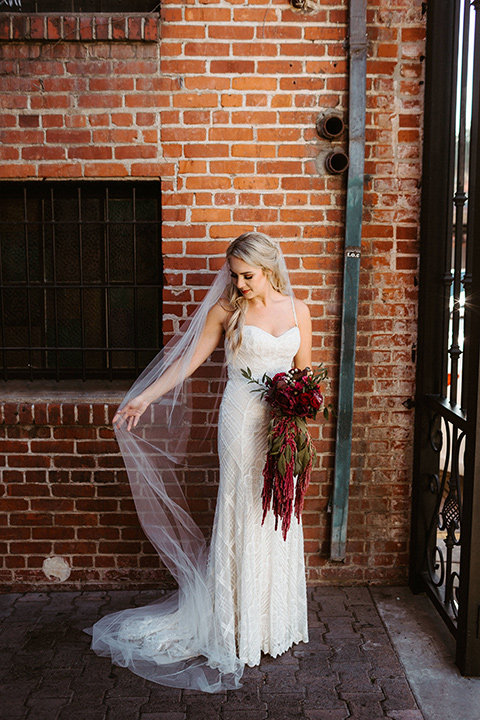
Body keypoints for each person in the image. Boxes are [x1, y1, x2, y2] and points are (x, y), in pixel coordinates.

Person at [86, 232, 312, 692]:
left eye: (247, 276)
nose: (240, 284)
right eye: (234, 276)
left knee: (277, 513)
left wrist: (303, 408)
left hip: (282, 426)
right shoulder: (226, 312)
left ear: (269, 268)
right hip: (241, 420)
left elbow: (306, 374)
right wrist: (143, 398)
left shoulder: (298, 311)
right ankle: (234, 624)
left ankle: (271, 621)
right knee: (243, 508)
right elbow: (186, 362)